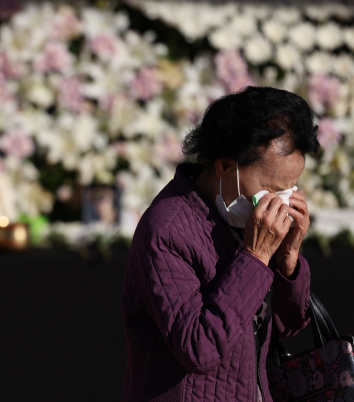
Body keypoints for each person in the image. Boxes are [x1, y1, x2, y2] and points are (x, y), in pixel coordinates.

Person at [121, 86, 319, 402]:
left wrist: (288, 257)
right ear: (226, 166)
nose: (280, 202)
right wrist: (255, 256)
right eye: (271, 188)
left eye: (290, 188)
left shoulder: (242, 219)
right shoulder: (167, 230)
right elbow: (199, 349)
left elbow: (287, 324)